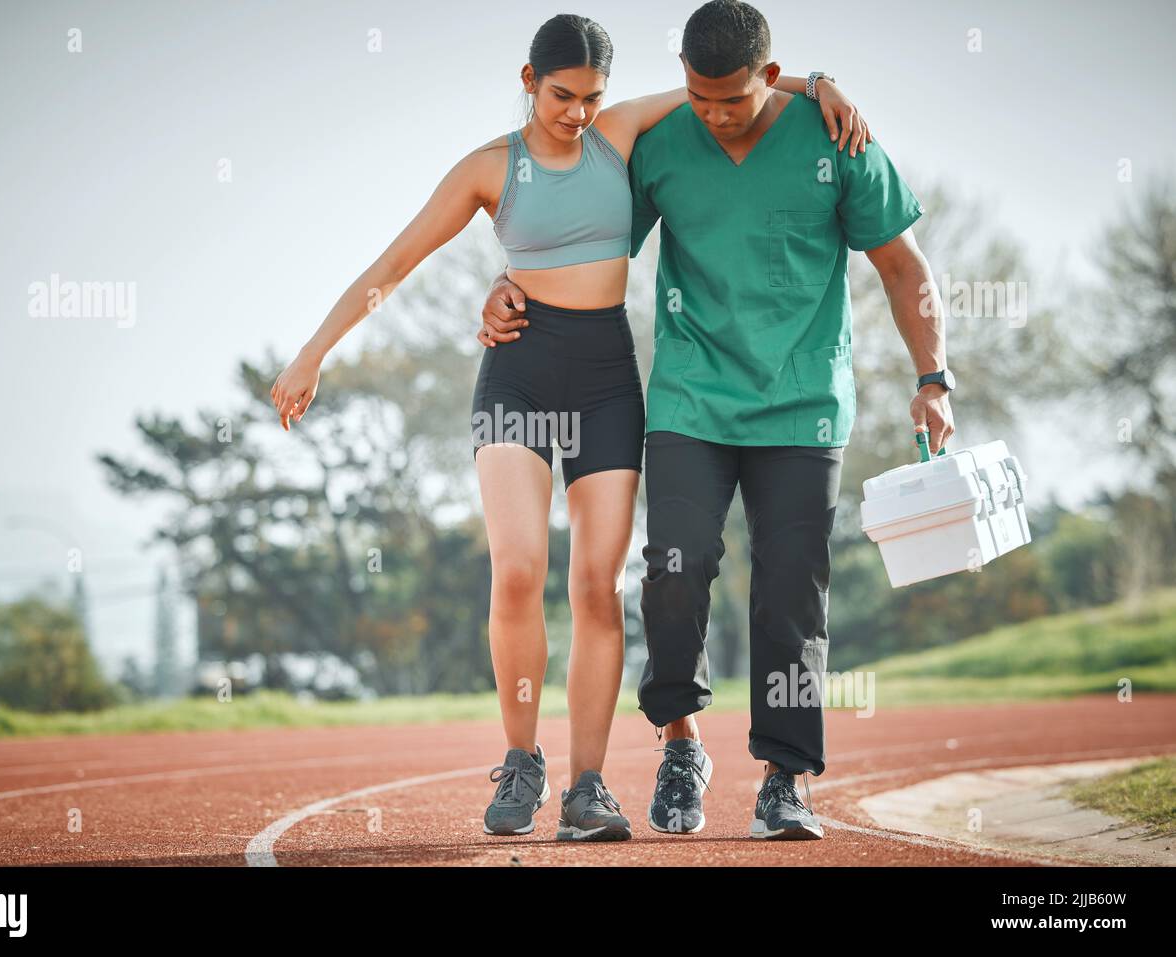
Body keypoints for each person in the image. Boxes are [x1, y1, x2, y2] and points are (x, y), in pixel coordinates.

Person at [271, 12, 868, 841]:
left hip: (604, 378)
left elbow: (736, 83)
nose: (577, 112)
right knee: (518, 570)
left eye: (591, 97)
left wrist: (819, 80)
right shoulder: (489, 168)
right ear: (528, 81)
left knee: (599, 584)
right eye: (562, 95)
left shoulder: (619, 134)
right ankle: (522, 760)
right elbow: (392, 266)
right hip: (518, 370)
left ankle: (588, 787)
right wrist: (313, 355)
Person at [480, 0, 954, 841]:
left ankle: (785, 778)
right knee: (673, 571)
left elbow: (901, 263)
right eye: (697, 99)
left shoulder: (835, 139)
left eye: (729, 102)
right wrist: (510, 283)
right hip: (689, 402)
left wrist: (933, 378)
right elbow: (577, 238)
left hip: (803, 408)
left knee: (790, 597)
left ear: (769, 79)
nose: (712, 116)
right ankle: (680, 742)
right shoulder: (663, 146)